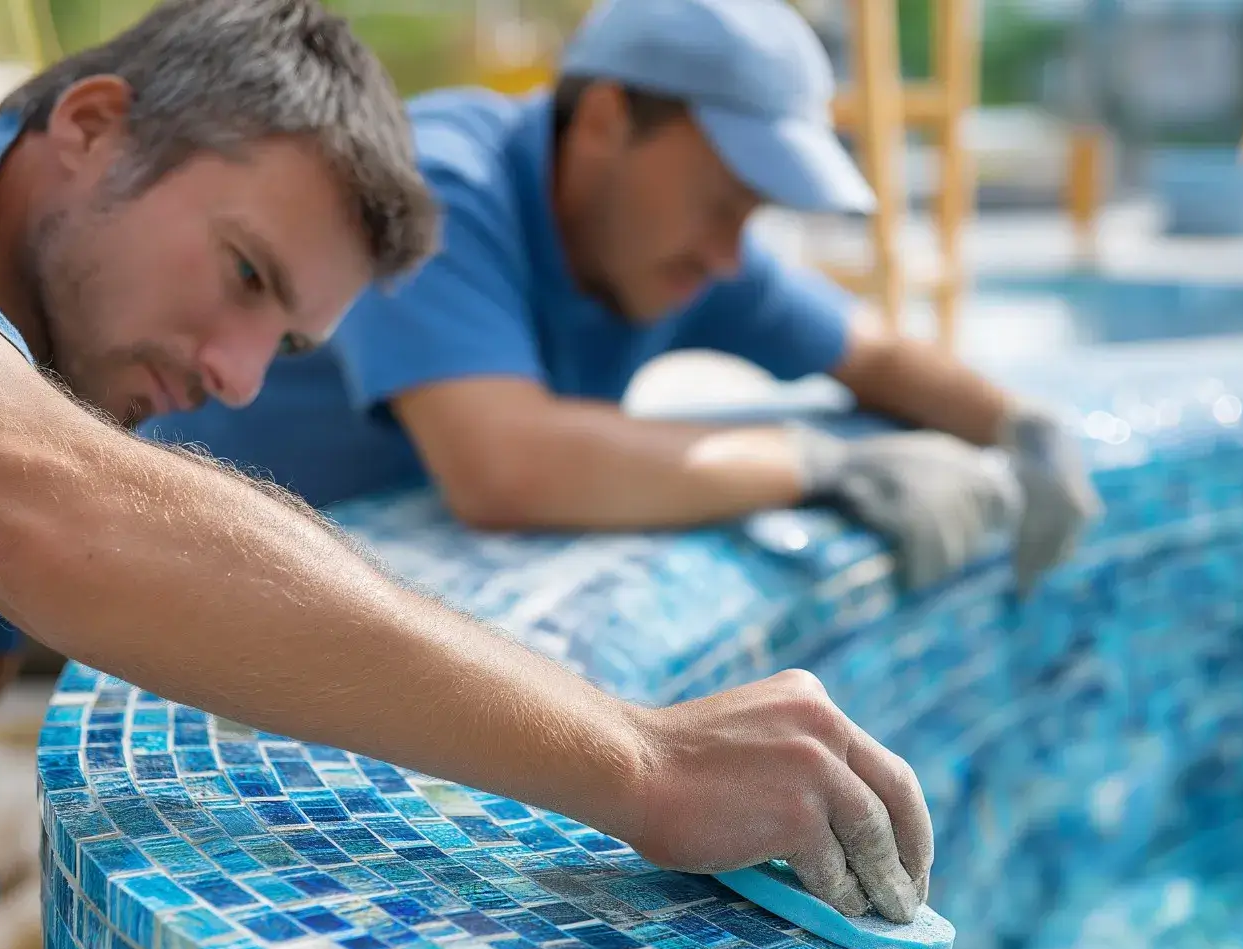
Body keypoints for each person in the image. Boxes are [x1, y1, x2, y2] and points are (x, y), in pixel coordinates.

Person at [0, 0, 934, 949]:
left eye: (289, 338)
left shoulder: (17, 364)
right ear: (92, 125)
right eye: (246, 276)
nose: (240, 377)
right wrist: (637, 759)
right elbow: (28, 514)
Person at [141, 0, 1103, 596]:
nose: (734, 253)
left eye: (755, 213)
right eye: (727, 200)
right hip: (125, 585)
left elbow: (877, 357)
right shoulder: (438, 184)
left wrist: (1020, 425)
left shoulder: (674, 244)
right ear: (605, 117)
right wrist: (820, 465)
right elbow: (503, 470)